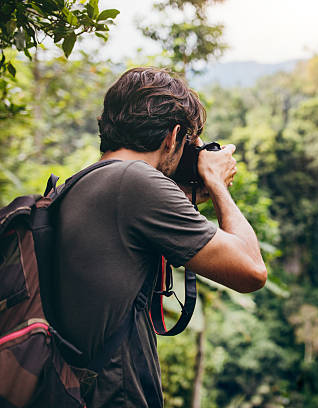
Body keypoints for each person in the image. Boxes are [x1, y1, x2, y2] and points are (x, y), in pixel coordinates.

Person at [48, 67, 267, 407]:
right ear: (173, 135)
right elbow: (251, 270)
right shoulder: (135, 182)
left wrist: (187, 192)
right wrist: (216, 182)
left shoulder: (80, 183)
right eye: (186, 144)